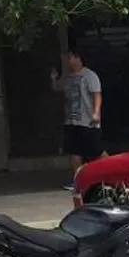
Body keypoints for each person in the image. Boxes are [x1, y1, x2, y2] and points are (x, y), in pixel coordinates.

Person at [52, 50, 104, 191]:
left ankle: (112, 172)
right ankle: (78, 180)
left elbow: (97, 95)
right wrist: (53, 78)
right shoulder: (68, 77)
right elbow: (58, 87)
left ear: (77, 58)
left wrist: (96, 113)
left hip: (87, 121)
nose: (67, 61)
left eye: (69, 58)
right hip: (71, 121)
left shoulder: (89, 76)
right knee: (74, 152)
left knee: (97, 151)